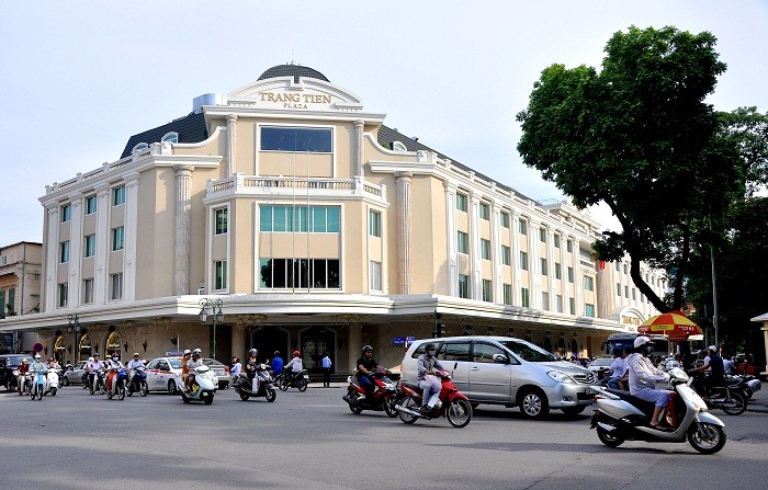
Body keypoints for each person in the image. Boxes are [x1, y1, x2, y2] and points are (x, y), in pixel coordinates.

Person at [626, 336, 671, 429]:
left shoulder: (645, 358)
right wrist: (661, 378)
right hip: (639, 389)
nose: (650, 348)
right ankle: (654, 421)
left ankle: (666, 418)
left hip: (647, 387)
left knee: (672, 393)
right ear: (641, 347)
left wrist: (666, 373)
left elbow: (654, 370)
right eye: (648, 346)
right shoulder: (636, 359)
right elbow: (642, 375)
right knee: (663, 396)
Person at [417, 343, 445, 414]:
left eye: (434, 350)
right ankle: (424, 406)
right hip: (421, 380)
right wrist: (427, 371)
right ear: (427, 350)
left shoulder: (433, 359)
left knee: (438, 387)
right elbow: (420, 367)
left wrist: (445, 372)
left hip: (430, 379)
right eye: (431, 350)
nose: (433, 351)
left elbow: (440, 367)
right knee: (428, 386)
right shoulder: (421, 357)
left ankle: (431, 405)